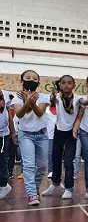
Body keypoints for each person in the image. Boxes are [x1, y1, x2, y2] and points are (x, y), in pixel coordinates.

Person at [12, 70, 50, 205]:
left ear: (38, 83)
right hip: (26, 134)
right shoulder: (16, 98)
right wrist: (26, 102)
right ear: (21, 81)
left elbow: (39, 113)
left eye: (34, 79)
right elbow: (20, 114)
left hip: (42, 134)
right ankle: (32, 194)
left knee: (42, 166)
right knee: (28, 165)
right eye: (28, 78)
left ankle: (34, 189)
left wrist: (30, 102)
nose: (31, 80)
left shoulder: (43, 97)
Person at [42, 75, 80, 199]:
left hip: (71, 133)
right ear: (60, 85)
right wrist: (53, 96)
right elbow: (52, 101)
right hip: (58, 131)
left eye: (69, 83)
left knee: (69, 160)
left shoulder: (78, 99)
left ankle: (69, 187)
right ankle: (55, 183)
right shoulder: (57, 97)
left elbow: (84, 104)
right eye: (63, 83)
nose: (66, 85)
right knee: (55, 158)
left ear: (74, 85)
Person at [0, 87, 16, 199]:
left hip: (2, 134)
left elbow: (9, 115)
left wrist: (13, 132)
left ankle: (4, 184)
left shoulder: (5, 94)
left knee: (2, 160)